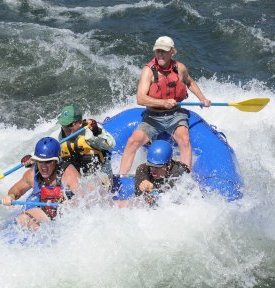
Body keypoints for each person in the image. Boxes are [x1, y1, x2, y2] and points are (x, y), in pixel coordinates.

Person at [119, 36, 211, 175]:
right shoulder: (148, 71)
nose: (160, 54)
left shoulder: (179, 68)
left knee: (184, 139)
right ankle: (121, 176)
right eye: (158, 51)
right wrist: (163, 102)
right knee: (133, 141)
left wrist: (202, 98)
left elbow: (189, 82)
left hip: (175, 114)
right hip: (153, 116)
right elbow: (140, 98)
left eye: (164, 51)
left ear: (172, 52)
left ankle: (184, 177)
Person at [1, 137, 81, 230]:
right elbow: (16, 190)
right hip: (43, 209)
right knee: (21, 220)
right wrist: (11, 196)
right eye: (40, 161)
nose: (43, 167)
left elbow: (83, 200)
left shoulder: (69, 174)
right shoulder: (32, 174)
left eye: (48, 162)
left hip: (63, 210)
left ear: (56, 161)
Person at [56, 104, 116, 186]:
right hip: (79, 176)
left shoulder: (91, 132)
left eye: (69, 125)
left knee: (91, 185)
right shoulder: (62, 136)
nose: (66, 128)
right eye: (63, 125)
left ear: (80, 123)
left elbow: (111, 144)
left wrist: (96, 131)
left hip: (100, 174)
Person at [134, 140, 189, 206]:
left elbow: (172, 201)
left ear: (168, 165)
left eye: (157, 167)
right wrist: (142, 189)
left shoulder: (179, 173)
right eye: (151, 166)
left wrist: (152, 190)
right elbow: (138, 197)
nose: (153, 170)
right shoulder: (142, 169)